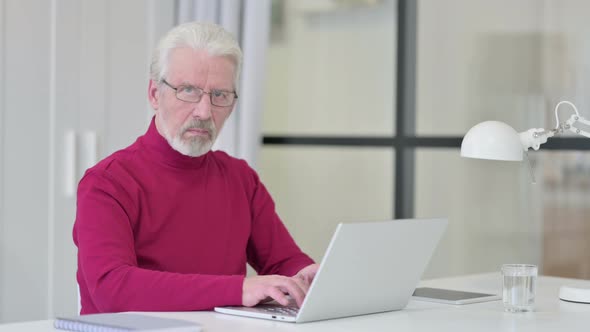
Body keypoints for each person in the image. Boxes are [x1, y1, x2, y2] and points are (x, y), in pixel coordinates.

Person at [73, 22, 318, 314]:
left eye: (220, 95)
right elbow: (113, 290)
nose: (204, 112)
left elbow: (283, 262)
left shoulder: (240, 179)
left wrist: (308, 275)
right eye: (188, 90)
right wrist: (239, 289)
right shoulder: (107, 183)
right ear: (154, 94)